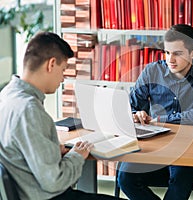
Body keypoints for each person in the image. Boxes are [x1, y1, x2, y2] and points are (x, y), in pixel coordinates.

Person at [0, 31, 124, 200]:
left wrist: (51, 152)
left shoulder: (6, 96)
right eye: (63, 70)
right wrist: (76, 156)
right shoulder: (29, 110)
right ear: (51, 64)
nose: (63, 78)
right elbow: (54, 182)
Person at [117, 24, 193, 200]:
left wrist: (159, 119)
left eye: (177, 53)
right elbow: (130, 106)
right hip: (154, 146)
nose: (170, 59)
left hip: (189, 148)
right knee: (125, 178)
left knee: (179, 184)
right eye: (167, 52)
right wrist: (136, 114)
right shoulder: (152, 71)